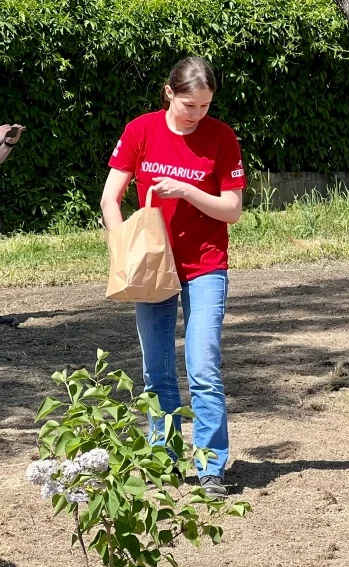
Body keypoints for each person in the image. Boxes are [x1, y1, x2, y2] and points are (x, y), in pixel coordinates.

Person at [100, 57, 246, 500]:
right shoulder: (141, 130)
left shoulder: (221, 137)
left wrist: (185, 190)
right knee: (156, 370)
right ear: (169, 93)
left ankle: (209, 467)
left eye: (204, 105)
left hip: (205, 265)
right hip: (152, 267)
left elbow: (232, 210)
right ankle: (161, 461)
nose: (197, 114)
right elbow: (110, 196)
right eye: (189, 104)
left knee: (203, 367)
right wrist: (121, 245)